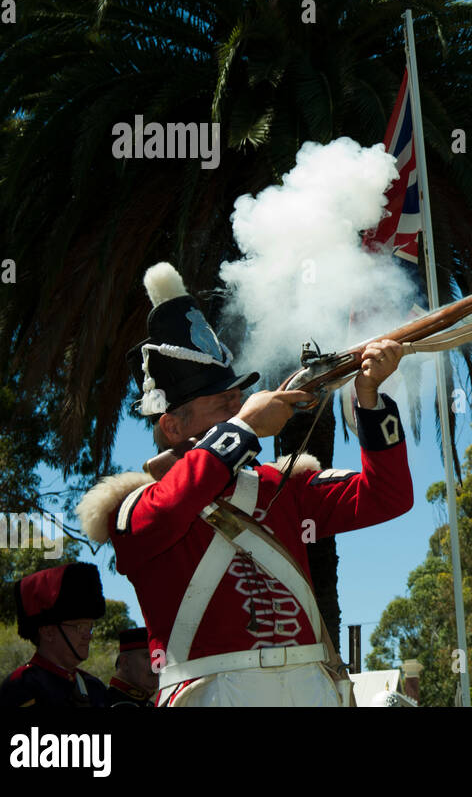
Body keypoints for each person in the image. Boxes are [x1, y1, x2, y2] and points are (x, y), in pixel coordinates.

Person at [77, 262, 415, 706]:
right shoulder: (134, 507)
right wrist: (245, 428)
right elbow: (176, 502)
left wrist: (369, 400)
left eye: (239, 400)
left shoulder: (283, 485)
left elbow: (387, 497)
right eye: (222, 405)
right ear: (173, 428)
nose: (238, 408)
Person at [0, 563, 110, 707]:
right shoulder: (22, 686)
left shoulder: (94, 688)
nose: (89, 636)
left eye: (89, 627)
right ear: (48, 632)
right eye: (80, 627)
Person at [108, 627, 157, 706]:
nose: (156, 664)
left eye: (158, 657)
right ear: (125, 662)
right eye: (148, 657)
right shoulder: (104, 700)